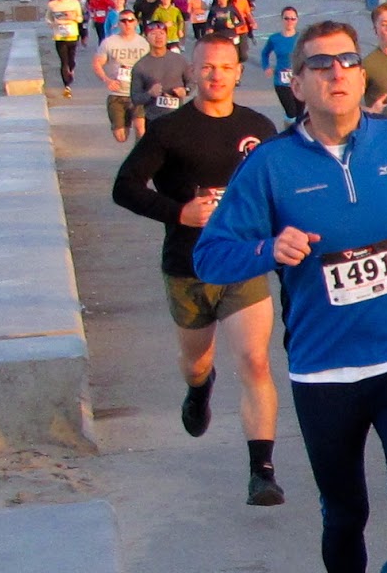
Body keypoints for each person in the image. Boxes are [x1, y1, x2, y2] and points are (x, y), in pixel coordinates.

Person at [193, 19, 387, 573]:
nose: (338, 72)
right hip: (324, 372)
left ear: (362, 75)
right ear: (297, 84)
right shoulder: (270, 166)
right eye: (321, 64)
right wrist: (266, 250)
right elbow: (209, 255)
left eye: (347, 61)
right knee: (345, 514)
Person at [112, 36, 284, 506]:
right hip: (188, 267)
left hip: (243, 264)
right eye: (207, 67)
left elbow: (280, 190)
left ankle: (262, 471)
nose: (216, 75)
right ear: (193, 72)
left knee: (255, 361)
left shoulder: (259, 128)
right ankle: (198, 388)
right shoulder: (169, 131)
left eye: (225, 67)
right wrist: (179, 213)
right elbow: (125, 187)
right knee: (197, 361)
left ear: (238, 72)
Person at [92, 12, 150, 143]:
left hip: (138, 94)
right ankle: (125, 124)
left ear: (136, 23)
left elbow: (152, 64)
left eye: (131, 20)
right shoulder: (109, 42)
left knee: (141, 128)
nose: (127, 24)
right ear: (118, 24)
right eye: (123, 21)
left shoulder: (144, 43)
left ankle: (139, 154)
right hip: (116, 94)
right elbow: (97, 63)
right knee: (121, 137)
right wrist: (107, 80)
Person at [130, 22, 191, 127]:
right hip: (153, 120)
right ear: (146, 37)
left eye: (161, 33)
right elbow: (135, 97)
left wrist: (185, 90)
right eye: (153, 34)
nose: (158, 37)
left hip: (177, 118)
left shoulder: (180, 60)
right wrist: (150, 93)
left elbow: (192, 81)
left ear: (167, 36)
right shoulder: (140, 66)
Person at [259, 7, 302, 124]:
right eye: (286, 18)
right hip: (281, 81)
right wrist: (266, 67)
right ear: (282, 19)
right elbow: (264, 53)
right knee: (291, 112)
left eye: (293, 19)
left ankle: (297, 134)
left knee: (299, 113)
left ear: (297, 20)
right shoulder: (275, 38)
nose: (289, 21)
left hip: (299, 80)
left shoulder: (301, 38)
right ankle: (288, 130)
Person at [46, 0, 85, 97]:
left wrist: (73, 17)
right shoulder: (52, 4)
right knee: (64, 61)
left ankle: (71, 70)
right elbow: (48, 18)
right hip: (59, 35)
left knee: (71, 60)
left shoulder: (74, 3)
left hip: (72, 34)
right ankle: (66, 85)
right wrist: (53, 23)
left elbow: (80, 18)